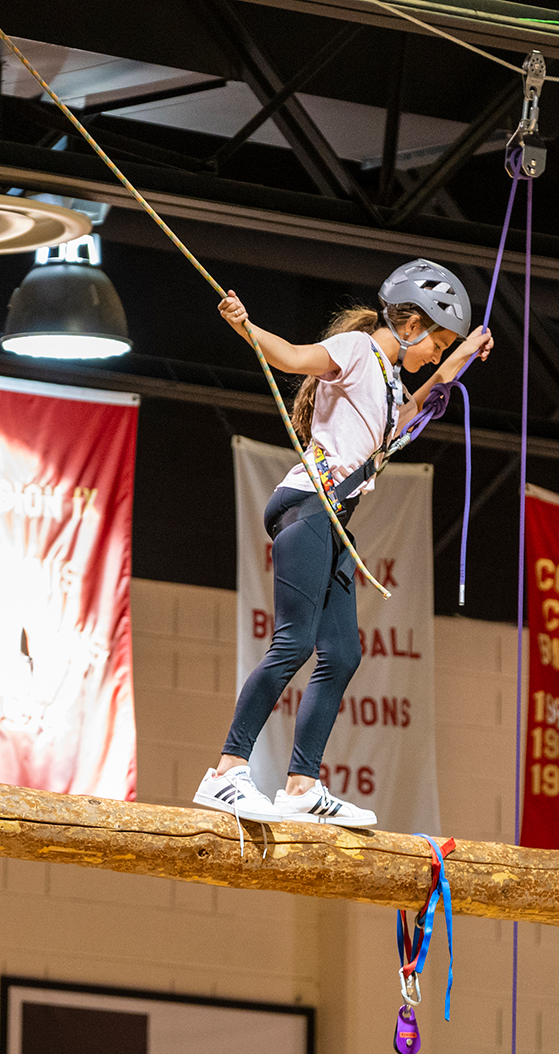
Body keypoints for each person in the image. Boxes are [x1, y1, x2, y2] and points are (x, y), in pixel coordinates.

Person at [194, 260, 494, 827]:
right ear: (410, 324)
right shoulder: (357, 350)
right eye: (437, 341)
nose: (435, 353)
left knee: (343, 653)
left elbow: (405, 415)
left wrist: (458, 359)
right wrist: (244, 326)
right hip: (309, 503)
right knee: (295, 643)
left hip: (332, 519)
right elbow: (290, 355)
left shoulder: (385, 379)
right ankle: (227, 772)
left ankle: (301, 785)